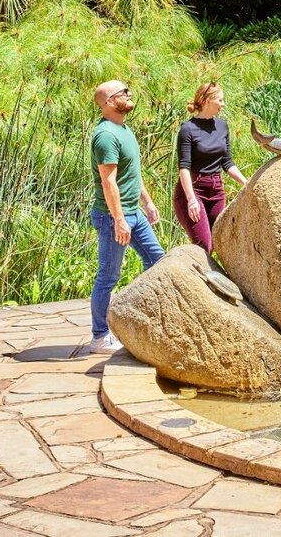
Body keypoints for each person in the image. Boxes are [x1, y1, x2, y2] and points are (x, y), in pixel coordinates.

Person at [89, 80, 165, 354]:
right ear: (109, 102)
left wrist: (148, 202)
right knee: (108, 276)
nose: (129, 94)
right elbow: (108, 182)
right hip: (114, 217)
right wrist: (119, 219)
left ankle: (145, 317)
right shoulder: (106, 135)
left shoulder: (124, 129)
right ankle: (99, 337)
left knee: (158, 261)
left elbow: (131, 173)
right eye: (123, 92)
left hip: (134, 212)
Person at [173, 82, 248, 254]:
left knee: (217, 243)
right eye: (220, 100)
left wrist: (246, 182)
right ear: (207, 101)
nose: (223, 104)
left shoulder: (222, 126)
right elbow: (184, 167)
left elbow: (227, 162)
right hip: (193, 190)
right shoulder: (188, 129)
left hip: (216, 191)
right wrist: (191, 199)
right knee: (203, 246)